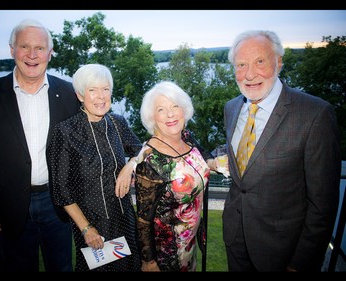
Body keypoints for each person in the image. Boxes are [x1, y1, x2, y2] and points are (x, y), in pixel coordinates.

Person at [222, 30, 341, 272]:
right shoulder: (232, 108)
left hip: (283, 252)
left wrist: (300, 263)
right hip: (236, 240)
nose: (250, 74)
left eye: (260, 61)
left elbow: (323, 204)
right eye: (241, 64)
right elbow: (244, 152)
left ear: (278, 62)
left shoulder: (314, 114)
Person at [0, 19, 80, 271]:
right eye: (24, 46)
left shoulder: (69, 94)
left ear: (50, 53)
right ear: (11, 50)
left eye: (40, 48)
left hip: (59, 206)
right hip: (8, 206)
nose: (32, 55)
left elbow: (83, 147)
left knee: (62, 267)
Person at [47, 63, 142, 272]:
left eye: (105, 89)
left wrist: (130, 166)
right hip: (92, 226)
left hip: (124, 220)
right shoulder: (65, 131)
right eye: (93, 90)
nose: (101, 96)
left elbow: (144, 149)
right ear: (80, 95)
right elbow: (61, 190)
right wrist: (86, 229)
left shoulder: (118, 123)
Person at [132, 80, 212, 272]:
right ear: (152, 117)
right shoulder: (152, 162)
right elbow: (143, 220)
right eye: (161, 109)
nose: (170, 114)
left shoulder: (186, 137)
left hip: (190, 244)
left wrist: (214, 162)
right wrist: (149, 262)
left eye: (175, 106)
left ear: (184, 109)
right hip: (168, 255)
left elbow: (202, 155)